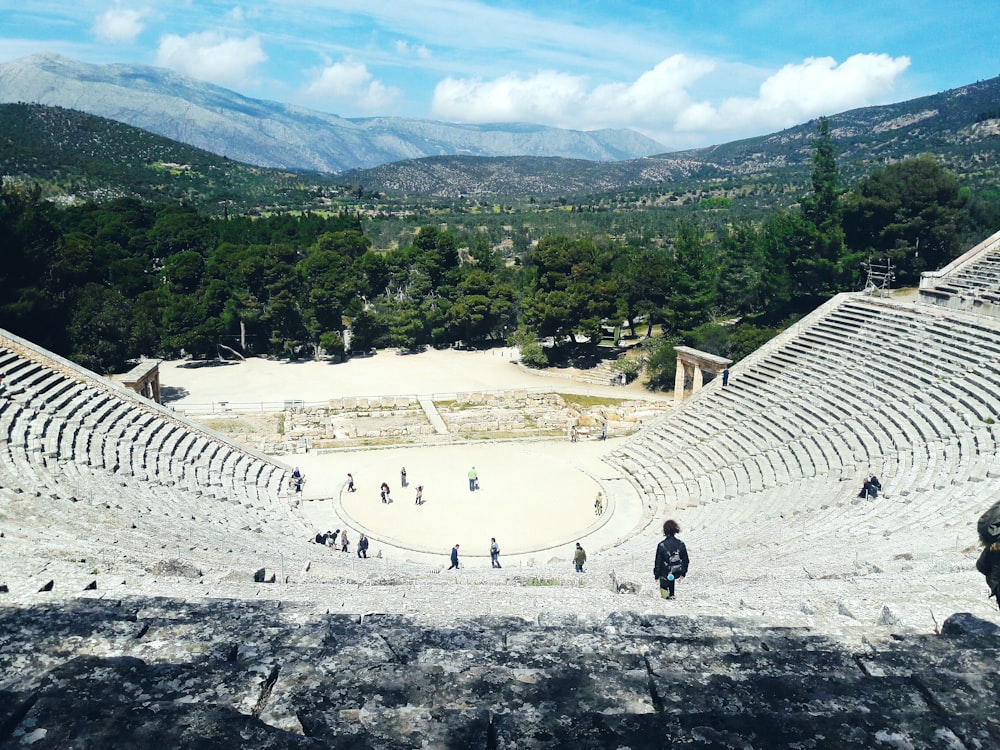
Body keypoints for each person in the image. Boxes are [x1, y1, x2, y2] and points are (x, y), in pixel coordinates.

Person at [653, 519, 690, 599]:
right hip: (675, 573)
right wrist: (683, 573)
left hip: (664, 574)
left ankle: (666, 598)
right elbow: (686, 560)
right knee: (671, 581)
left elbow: (658, 562)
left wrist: (656, 575)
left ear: (665, 531)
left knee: (664, 595)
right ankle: (672, 595)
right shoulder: (681, 544)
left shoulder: (661, 545)